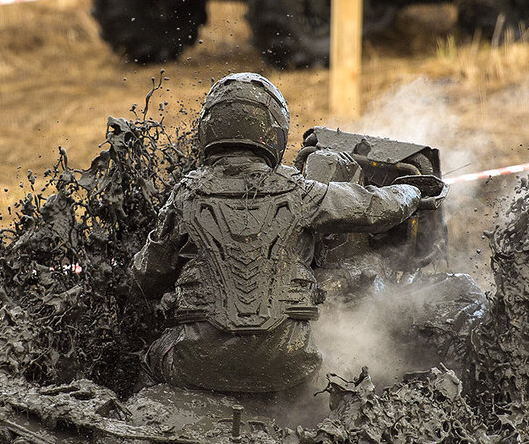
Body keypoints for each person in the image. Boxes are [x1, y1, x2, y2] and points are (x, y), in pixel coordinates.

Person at [131, 73, 428, 397]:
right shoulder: (299, 190)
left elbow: (144, 276)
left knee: (148, 358)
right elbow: (373, 208)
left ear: (208, 130)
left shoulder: (186, 194)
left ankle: (148, 426)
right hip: (290, 365)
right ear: (275, 131)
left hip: (199, 364)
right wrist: (411, 192)